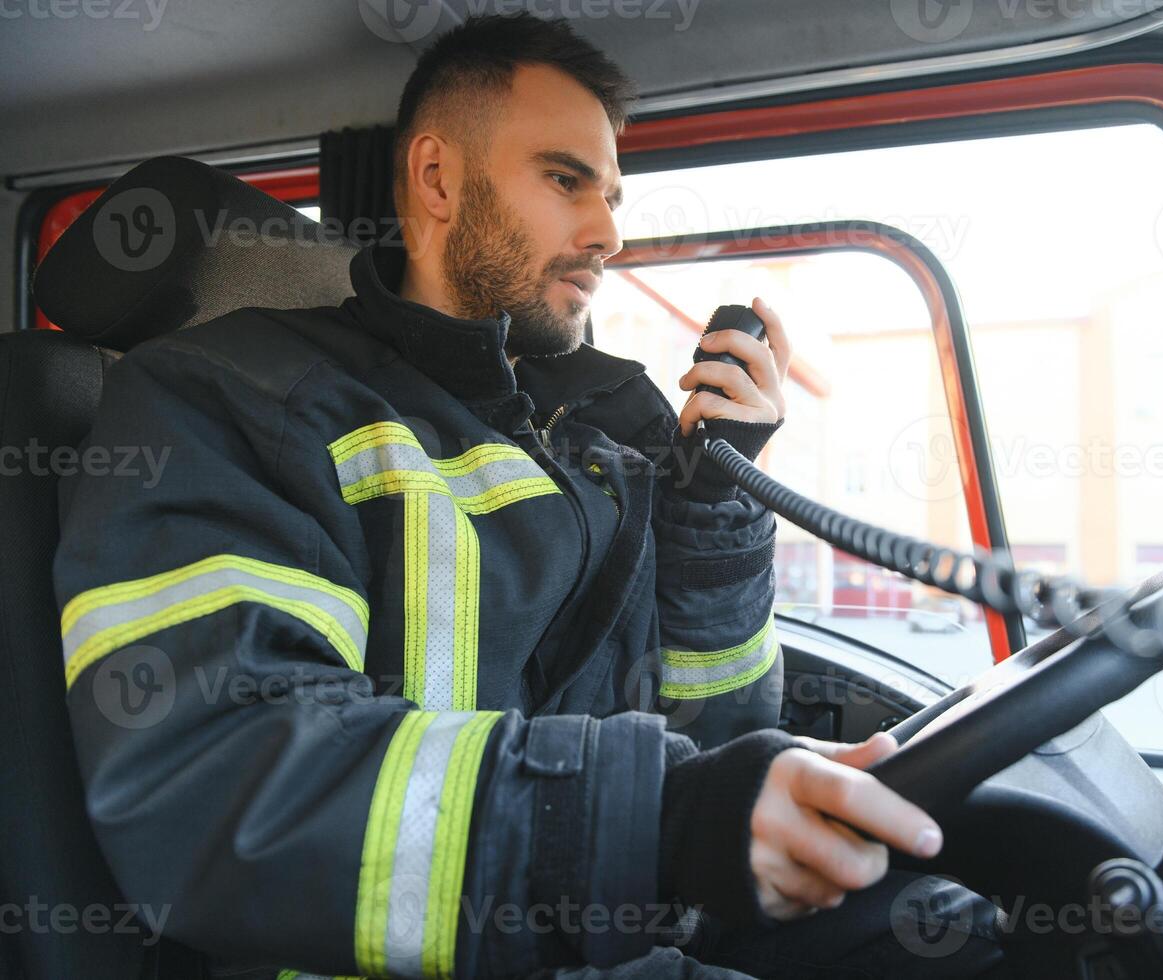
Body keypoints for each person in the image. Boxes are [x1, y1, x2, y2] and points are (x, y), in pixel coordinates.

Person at [54, 13, 999, 978]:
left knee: (979, 923)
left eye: (613, 195)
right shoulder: (226, 399)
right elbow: (221, 788)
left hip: (630, 936)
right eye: (565, 180)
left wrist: (714, 502)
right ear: (437, 179)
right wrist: (656, 828)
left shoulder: (607, 424)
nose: (609, 234)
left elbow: (714, 727)